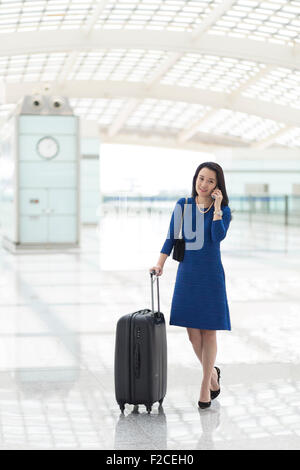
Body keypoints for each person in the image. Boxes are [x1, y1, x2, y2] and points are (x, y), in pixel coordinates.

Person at [149, 162, 232, 409]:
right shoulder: (183, 205)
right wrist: (159, 264)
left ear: (218, 187)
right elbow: (171, 237)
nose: (204, 184)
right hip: (188, 275)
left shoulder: (224, 211)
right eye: (201, 178)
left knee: (209, 331)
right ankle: (214, 375)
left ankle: (206, 384)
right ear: (195, 178)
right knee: (193, 335)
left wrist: (217, 208)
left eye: (210, 181)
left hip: (211, 276)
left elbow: (217, 237)